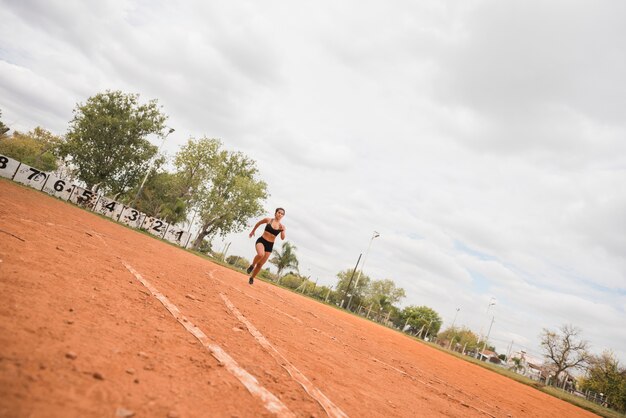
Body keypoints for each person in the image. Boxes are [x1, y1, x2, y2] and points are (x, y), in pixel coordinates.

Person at [246, 208, 286, 284]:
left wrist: (282, 231)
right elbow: (259, 223)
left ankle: (252, 277)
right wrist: (252, 231)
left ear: (282, 216)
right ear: (275, 213)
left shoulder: (282, 227)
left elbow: (282, 238)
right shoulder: (268, 220)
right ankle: (252, 265)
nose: (280, 214)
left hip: (270, 245)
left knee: (260, 264)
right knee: (261, 254)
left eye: (282, 214)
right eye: (279, 212)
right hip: (262, 241)